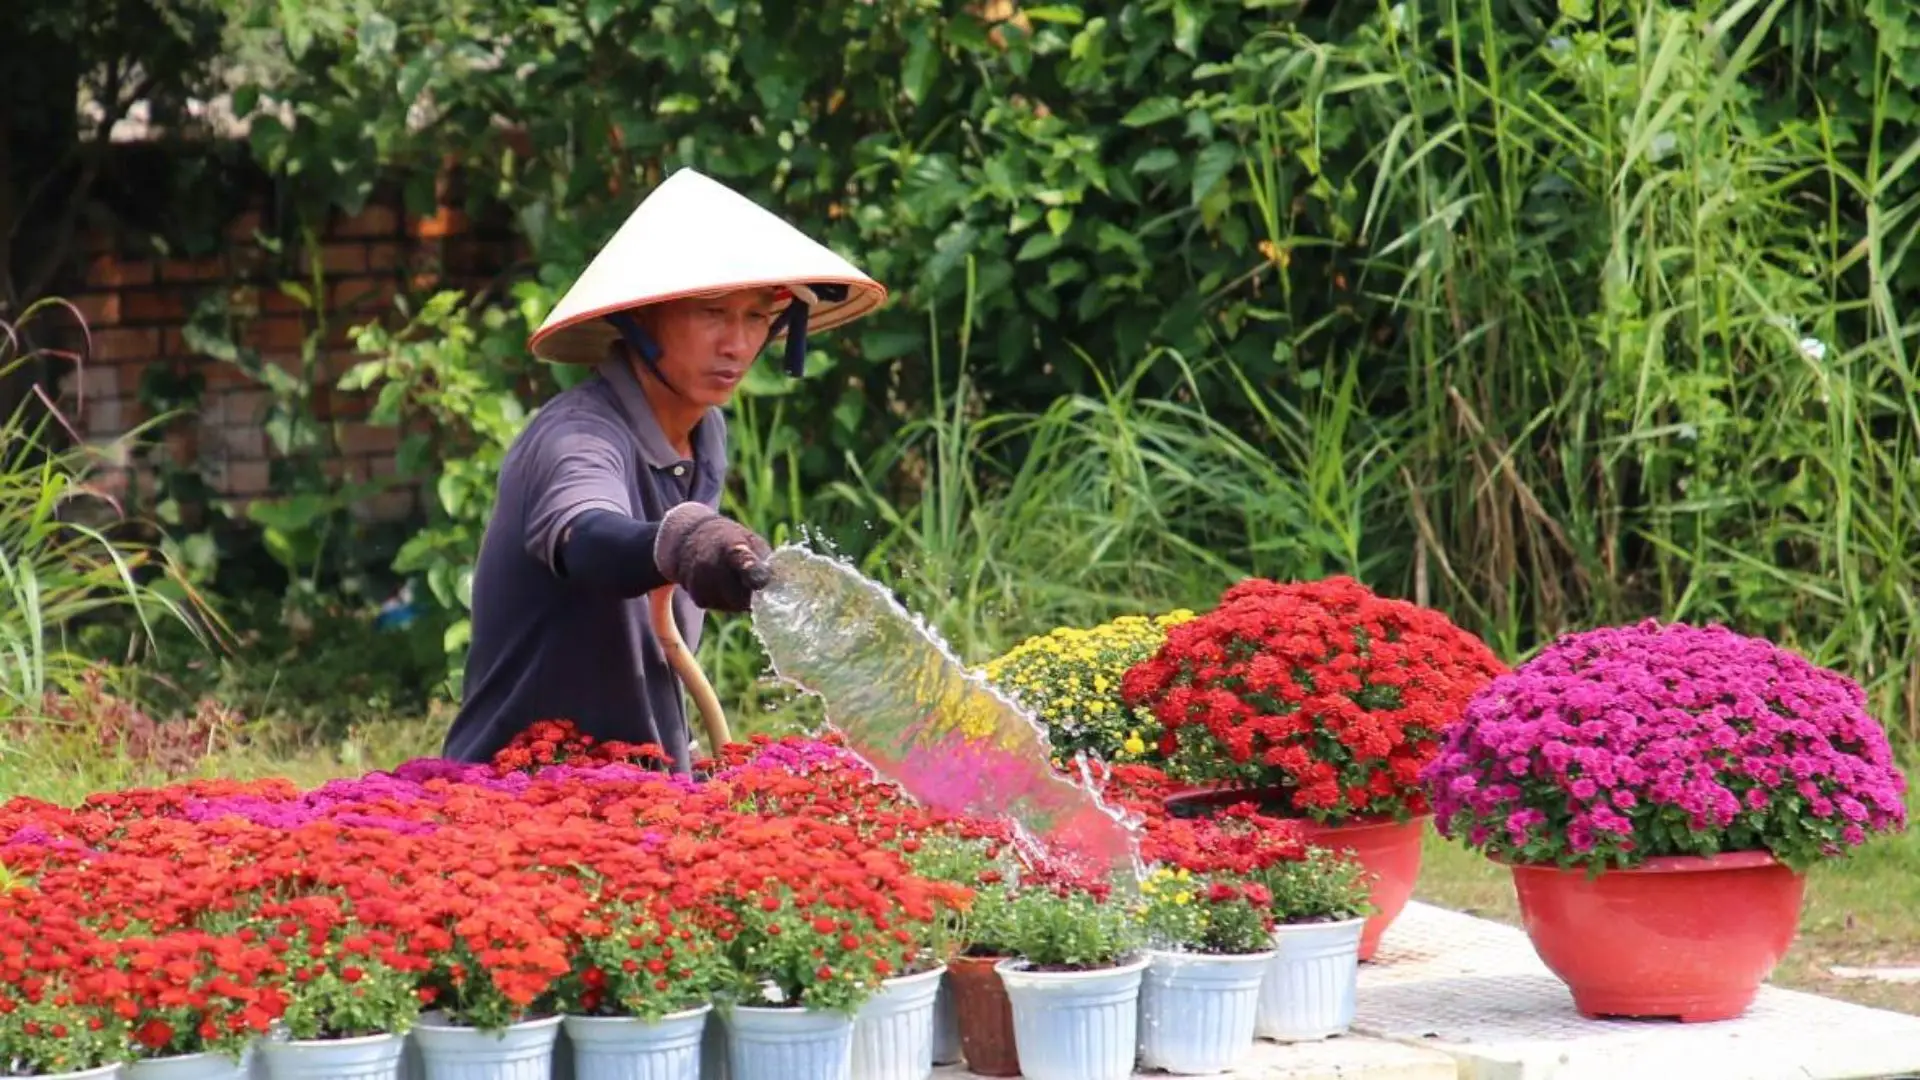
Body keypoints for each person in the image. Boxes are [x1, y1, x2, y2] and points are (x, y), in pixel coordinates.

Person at [440, 167, 888, 773]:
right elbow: (589, 538)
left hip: (644, 793)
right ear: (643, 317)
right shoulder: (577, 436)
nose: (736, 344)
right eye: (711, 312)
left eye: (757, 317)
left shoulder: (706, 431)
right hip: (525, 797)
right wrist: (682, 541)